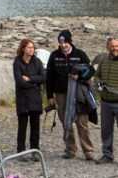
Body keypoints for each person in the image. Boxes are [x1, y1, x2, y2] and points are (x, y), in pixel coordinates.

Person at [46, 30, 95, 159]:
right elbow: (49, 77)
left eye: (65, 42)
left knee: (82, 121)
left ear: (70, 42)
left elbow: (91, 70)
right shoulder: (54, 56)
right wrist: (49, 96)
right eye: (61, 42)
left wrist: (80, 77)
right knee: (65, 120)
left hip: (78, 92)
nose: (63, 45)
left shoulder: (80, 54)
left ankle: (88, 150)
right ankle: (71, 149)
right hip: (61, 93)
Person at [13, 38, 46, 155]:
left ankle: (35, 149)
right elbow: (19, 81)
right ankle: (21, 149)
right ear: (23, 49)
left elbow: (43, 77)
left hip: (35, 98)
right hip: (22, 98)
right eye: (29, 47)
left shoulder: (37, 61)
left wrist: (30, 79)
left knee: (35, 125)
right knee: (22, 126)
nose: (31, 50)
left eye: (32, 47)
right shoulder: (17, 62)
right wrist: (34, 84)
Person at [92, 36, 118, 164]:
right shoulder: (103, 61)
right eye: (112, 46)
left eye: (117, 46)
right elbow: (96, 76)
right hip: (106, 102)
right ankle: (107, 155)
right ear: (107, 47)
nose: (115, 48)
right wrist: (99, 83)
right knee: (106, 130)